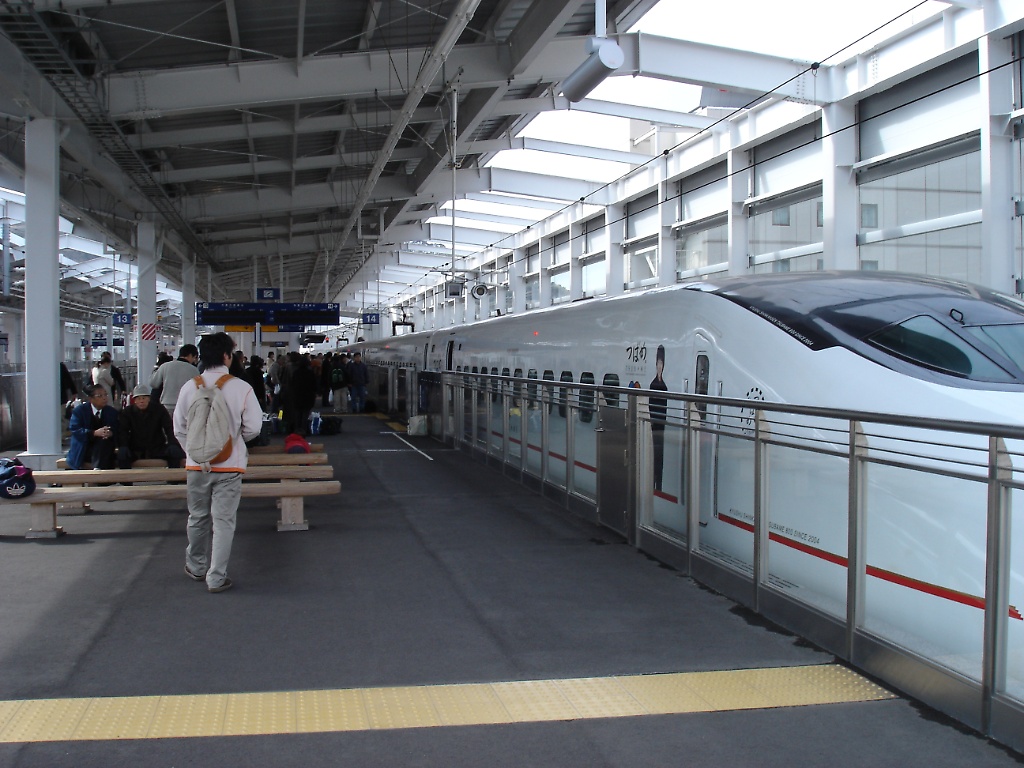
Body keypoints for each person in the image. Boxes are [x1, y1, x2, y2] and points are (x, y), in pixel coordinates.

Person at [173, 332, 263, 593]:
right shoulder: (241, 387)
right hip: (230, 466)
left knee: (197, 517)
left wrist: (195, 451)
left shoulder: (190, 387)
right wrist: (233, 444)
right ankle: (216, 577)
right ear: (227, 356)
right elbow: (254, 427)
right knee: (223, 522)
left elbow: (179, 427)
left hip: (196, 466)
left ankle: (196, 566)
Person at [117, 384, 184, 469]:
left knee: (174, 451)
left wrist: (173, 443)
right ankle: (126, 481)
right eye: (138, 398)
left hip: (156, 447)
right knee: (123, 453)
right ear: (134, 401)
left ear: (149, 398)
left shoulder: (159, 409)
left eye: (144, 398)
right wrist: (124, 445)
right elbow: (123, 431)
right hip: (136, 448)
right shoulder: (127, 412)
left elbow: (169, 428)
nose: (141, 401)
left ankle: (174, 479)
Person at [66, 383, 119, 470]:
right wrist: (94, 433)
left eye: (105, 394)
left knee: (104, 442)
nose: (104, 398)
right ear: (91, 399)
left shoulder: (112, 412)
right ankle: (98, 472)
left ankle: (98, 470)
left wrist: (111, 433)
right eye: (100, 396)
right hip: (84, 450)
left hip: (105, 450)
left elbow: (117, 429)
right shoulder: (79, 411)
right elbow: (76, 430)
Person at [149, 344, 199, 412]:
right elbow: (198, 389)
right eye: (194, 357)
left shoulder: (165, 366)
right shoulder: (194, 370)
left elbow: (154, 383)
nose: (194, 360)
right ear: (190, 355)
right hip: (185, 406)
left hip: (166, 406)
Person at [649, 345, 669, 492]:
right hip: (653, 429)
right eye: (658, 363)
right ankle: (653, 486)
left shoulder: (665, 387)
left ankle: (659, 487)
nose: (660, 366)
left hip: (662, 430)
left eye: (662, 363)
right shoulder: (652, 385)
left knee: (660, 460)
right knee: (653, 459)